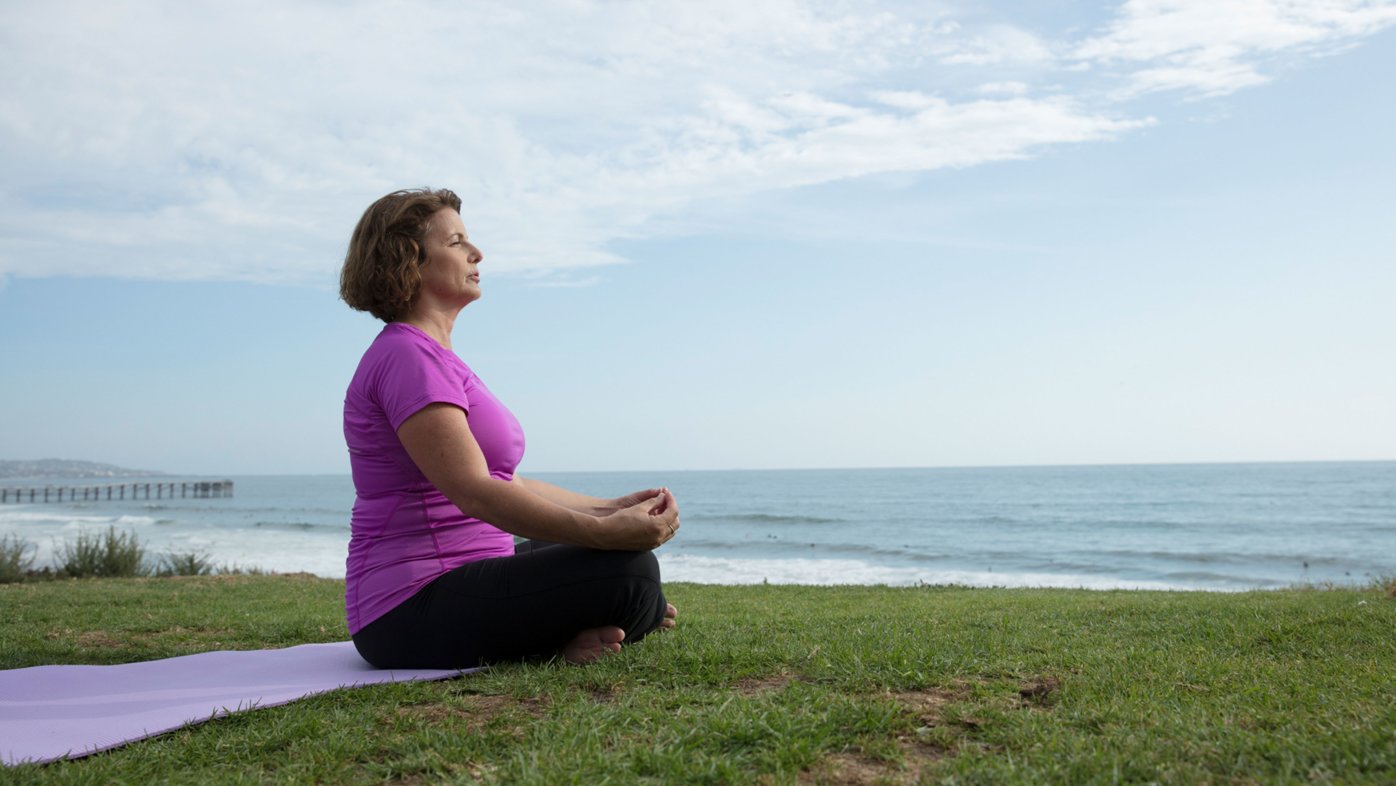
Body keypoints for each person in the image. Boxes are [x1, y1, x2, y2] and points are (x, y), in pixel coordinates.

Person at [338, 187, 679, 668]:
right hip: (406, 608)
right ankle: (591, 621)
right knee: (632, 573)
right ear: (409, 260)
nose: (477, 253)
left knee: (612, 565)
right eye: (456, 242)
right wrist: (608, 537)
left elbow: (508, 482)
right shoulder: (406, 357)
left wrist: (611, 510)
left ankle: (584, 624)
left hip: (470, 569)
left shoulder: (435, 357)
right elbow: (475, 493)